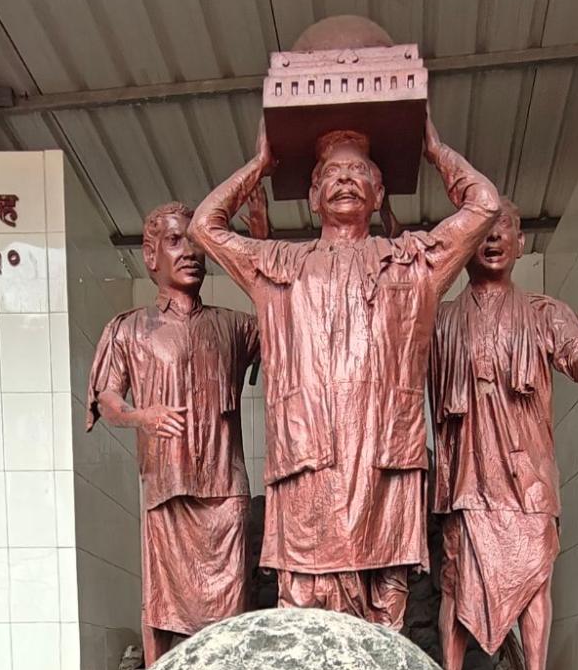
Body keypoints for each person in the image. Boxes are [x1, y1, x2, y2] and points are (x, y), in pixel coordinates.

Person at [191, 111, 499, 629]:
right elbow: (206, 225)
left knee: (385, 614)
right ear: (312, 199)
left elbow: (484, 205)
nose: (345, 181)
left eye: (359, 173)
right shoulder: (277, 267)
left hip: (383, 463)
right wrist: (260, 164)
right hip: (309, 461)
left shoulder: (413, 263)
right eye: (331, 175)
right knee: (305, 618)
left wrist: (437, 152)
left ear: (379, 196)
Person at [430, 202, 578, 670]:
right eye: (480, 232)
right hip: (467, 475)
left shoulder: (542, 312)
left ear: (521, 242)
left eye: (502, 229)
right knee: (458, 580)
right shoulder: (440, 320)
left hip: (528, 472)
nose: (491, 239)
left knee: (535, 576)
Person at [86, 203, 260, 664]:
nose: (191, 252)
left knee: (230, 615)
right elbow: (108, 401)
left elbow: (285, 324)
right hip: (167, 489)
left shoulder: (237, 326)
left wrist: (257, 242)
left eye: (199, 243)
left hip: (226, 488)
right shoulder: (128, 330)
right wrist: (142, 417)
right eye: (176, 240)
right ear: (150, 255)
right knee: (162, 607)